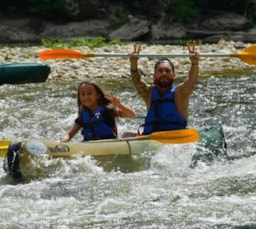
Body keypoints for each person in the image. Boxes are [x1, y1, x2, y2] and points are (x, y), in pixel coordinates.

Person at [126, 41, 199, 136]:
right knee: (125, 135)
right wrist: (133, 63)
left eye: (167, 71)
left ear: (174, 75)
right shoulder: (149, 93)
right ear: (154, 75)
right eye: (160, 71)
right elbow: (137, 81)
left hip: (175, 138)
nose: (164, 73)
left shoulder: (180, 93)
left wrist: (194, 63)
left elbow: (192, 79)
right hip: (150, 138)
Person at [61, 80, 136, 142]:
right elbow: (69, 135)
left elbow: (132, 115)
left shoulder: (107, 110)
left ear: (98, 95)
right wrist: (63, 141)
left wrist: (120, 106)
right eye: (83, 94)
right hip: (89, 145)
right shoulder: (82, 116)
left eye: (89, 93)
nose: (86, 96)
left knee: (127, 135)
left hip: (110, 143)